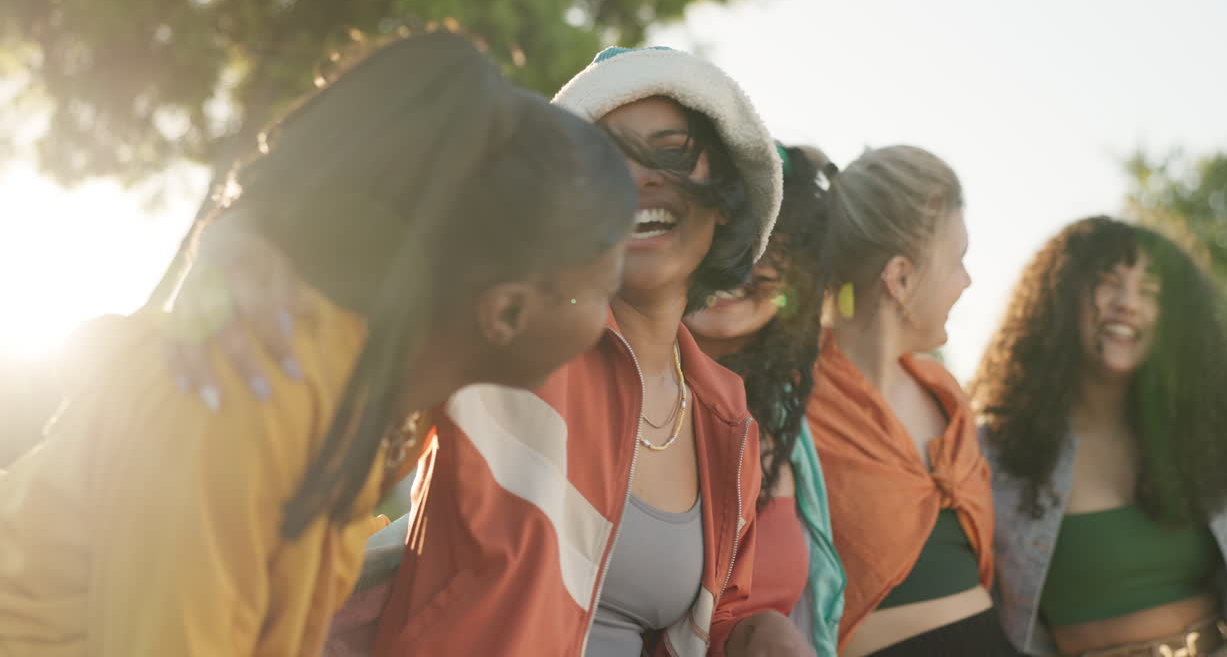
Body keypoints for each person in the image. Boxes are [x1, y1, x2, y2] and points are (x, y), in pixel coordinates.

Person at [0, 31, 638, 656]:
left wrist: (242, 226)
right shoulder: (248, 389)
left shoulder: (388, 393)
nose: (609, 314)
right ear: (507, 312)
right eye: (604, 288)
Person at [158, 45, 794, 656]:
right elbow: (359, 221)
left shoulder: (728, 419)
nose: (636, 179)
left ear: (730, 198)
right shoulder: (513, 331)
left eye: (672, 152)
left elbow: (704, 617)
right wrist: (236, 240)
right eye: (605, 159)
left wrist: (750, 633)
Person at [971, 216, 1227, 657]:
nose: (1127, 304)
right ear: (1061, 299)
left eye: (1150, 291)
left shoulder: (1200, 438)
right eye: (1107, 283)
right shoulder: (999, 452)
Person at [806, 146, 1018, 656]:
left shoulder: (945, 395)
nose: (966, 281)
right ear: (900, 278)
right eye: (957, 261)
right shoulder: (798, 400)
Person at [683, 143, 847, 657]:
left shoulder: (786, 422)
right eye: (721, 236)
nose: (737, 268)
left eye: (768, 247)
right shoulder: (617, 395)